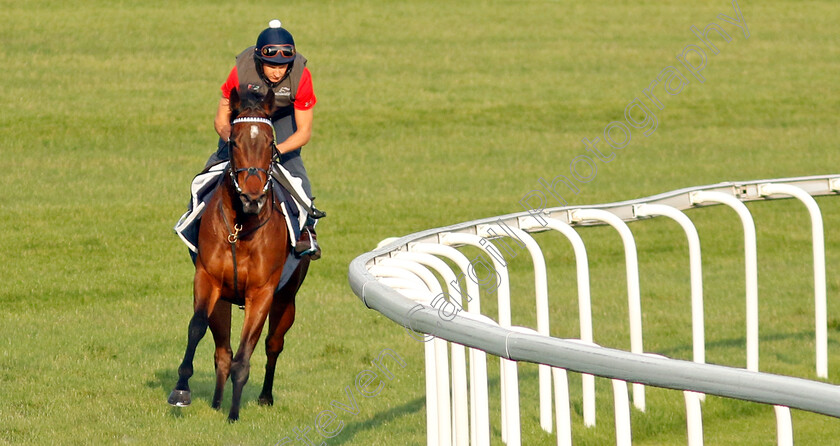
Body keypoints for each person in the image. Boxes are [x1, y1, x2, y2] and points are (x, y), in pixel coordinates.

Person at [206, 19, 324, 259]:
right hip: (242, 121)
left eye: (283, 65)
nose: (278, 71)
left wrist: (275, 149)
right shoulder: (239, 71)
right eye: (272, 65)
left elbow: (304, 132)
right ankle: (195, 217)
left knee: (296, 174)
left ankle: (307, 230)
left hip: (279, 119)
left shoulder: (301, 75)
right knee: (209, 171)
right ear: (260, 60)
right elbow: (221, 120)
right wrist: (236, 143)